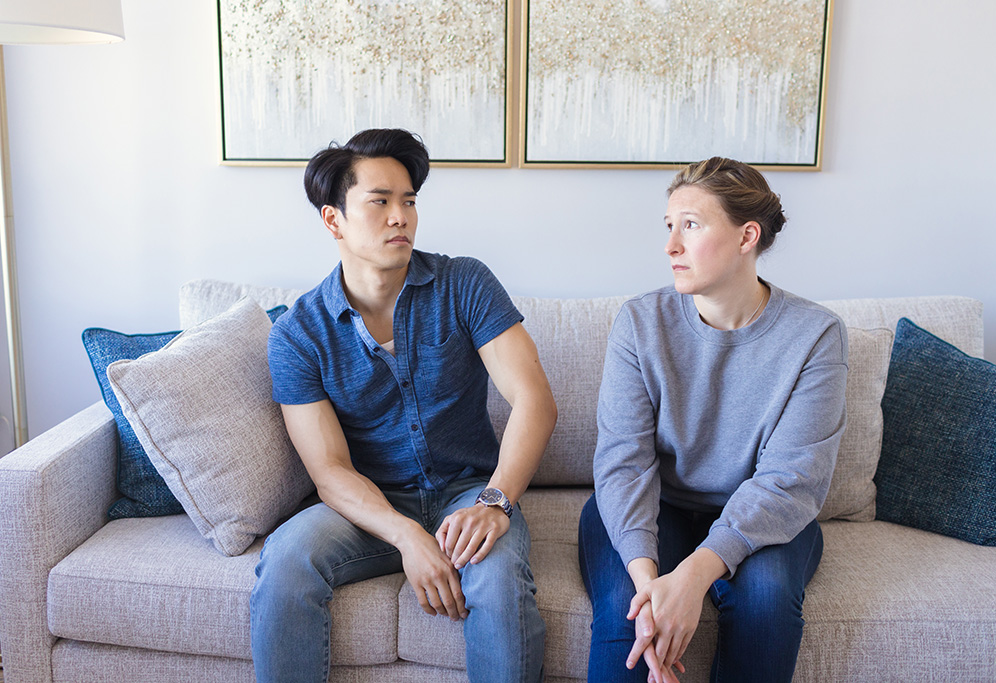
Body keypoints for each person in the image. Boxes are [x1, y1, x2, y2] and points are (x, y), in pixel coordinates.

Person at [250, 128, 556, 683]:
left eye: (409, 201)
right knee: (287, 558)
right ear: (332, 219)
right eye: (380, 201)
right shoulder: (298, 334)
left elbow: (533, 399)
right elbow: (330, 471)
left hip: (469, 492)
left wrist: (495, 500)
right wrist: (407, 535)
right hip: (369, 505)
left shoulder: (464, 282)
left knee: (500, 576)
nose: (401, 217)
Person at [578, 157, 848, 682]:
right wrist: (650, 586)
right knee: (627, 611)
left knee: (765, 602)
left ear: (747, 236)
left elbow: (791, 480)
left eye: (691, 226)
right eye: (669, 227)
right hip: (657, 505)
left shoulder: (816, 335)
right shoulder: (640, 322)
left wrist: (694, 577)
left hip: (764, 519)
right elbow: (622, 461)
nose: (670, 245)